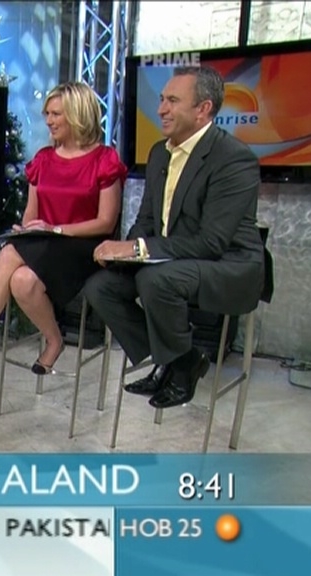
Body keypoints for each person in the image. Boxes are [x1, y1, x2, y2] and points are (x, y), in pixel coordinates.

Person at [84, 65, 264, 410]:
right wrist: (125, 255)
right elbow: (147, 220)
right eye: (162, 99)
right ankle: (182, 359)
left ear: (203, 109)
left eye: (172, 101)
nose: (161, 109)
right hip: (172, 258)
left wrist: (137, 248)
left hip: (228, 263)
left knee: (155, 280)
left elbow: (211, 242)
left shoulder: (233, 159)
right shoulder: (159, 153)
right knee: (101, 286)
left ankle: (177, 367)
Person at [0, 82, 126, 378]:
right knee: (22, 280)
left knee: (10, 253)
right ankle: (54, 340)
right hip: (45, 243)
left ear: (78, 115)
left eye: (56, 114)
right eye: (47, 113)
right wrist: (24, 230)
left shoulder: (104, 159)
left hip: (86, 247)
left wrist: (56, 230)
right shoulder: (44, 159)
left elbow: (106, 222)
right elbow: (31, 214)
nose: (49, 120)